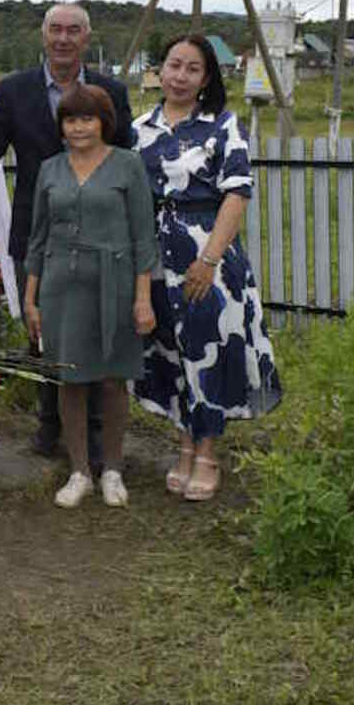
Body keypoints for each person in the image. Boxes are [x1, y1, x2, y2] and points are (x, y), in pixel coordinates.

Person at [0, 2, 133, 468]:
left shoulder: (111, 90)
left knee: (99, 327)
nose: (64, 39)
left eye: (73, 31)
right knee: (43, 331)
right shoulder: (15, 90)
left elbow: (124, 161)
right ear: (43, 37)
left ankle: (99, 433)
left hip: (101, 235)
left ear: (86, 38)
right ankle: (50, 425)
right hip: (37, 233)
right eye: (56, 30)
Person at [135, 34, 282, 502]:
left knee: (208, 351)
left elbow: (237, 194)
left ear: (206, 78)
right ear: (160, 70)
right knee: (172, 352)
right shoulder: (140, 128)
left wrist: (208, 259)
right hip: (157, 260)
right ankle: (182, 446)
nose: (179, 75)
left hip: (207, 259)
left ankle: (207, 454)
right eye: (173, 65)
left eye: (192, 68)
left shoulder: (222, 125)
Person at [24, 85, 157, 508]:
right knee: (71, 379)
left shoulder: (128, 166)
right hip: (61, 285)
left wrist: (143, 298)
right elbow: (38, 237)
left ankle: (113, 469)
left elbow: (143, 238)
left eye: (87, 118)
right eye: (70, 119)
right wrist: (32, 298)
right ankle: (79, 470)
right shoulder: (49, 169)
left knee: (113, 378)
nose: (78, 127)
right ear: (61, 125)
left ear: (104, 122)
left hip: (115, 283)